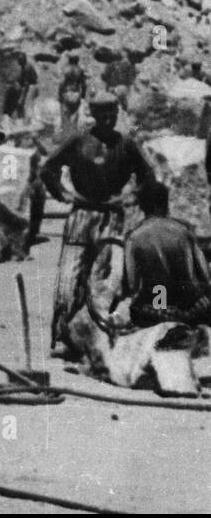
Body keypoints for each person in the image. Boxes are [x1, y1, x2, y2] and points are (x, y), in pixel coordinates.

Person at [40, 92, 154, 357]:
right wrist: (64, 194)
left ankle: (96, 337)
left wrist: (129, 196)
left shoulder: (126, 144)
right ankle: (63, 334)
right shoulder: (79, 141)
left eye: (112, 113)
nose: (107, 118)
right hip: (82, 215)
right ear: (91, 113)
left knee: (104, 281)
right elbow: (48, 169)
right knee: (70, 277)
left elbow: (148, 176)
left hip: (112, 218)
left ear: (117, 113)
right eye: (101, 113)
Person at [117, 180, 211, 329]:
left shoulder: (133, 237)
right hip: (192, 308)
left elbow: (132, 284)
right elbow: (205, 275)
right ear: (164, 203)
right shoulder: (184, 229)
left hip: (157, 308)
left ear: (143, 206)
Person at [3, 51, 39, 121]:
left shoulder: (27, 67)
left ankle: (24, 120)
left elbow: (26, 85)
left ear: (22, 60)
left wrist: (21, 98)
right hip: (29, 86)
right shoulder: (24, 66)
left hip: (32, 87)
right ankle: (16, 117)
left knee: (23, 104)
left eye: (19, 60)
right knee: (12, 92)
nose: (18, 62)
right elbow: (21, 80)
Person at [57, 53, 87, 131]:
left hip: (66, 93)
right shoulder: (80, 70)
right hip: (76, 94)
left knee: (65, 117)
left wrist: (59, 95)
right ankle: (73, 134)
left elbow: (61, 83)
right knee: (74, 115)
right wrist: (83, 95)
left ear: (69, 60)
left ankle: (65, 134)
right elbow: (84, 85)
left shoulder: (65, 69)